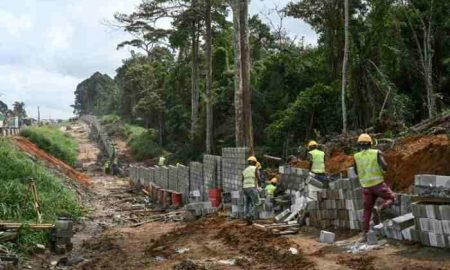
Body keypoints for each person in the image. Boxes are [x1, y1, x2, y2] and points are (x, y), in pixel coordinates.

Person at [353, 133, 396, 241]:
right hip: (378, 184)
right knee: (392, 198)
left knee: (367, 210)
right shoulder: (376, 153)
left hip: (366, 187)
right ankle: (380, 208)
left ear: (359, 145)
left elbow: (356, 172)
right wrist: (384, 171)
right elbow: (385, 166)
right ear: (370, 144)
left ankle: (365, 235)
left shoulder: (356, 156)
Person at [242, 156, 261, 224]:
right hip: (251, 187)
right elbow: (258, 178)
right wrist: (260, 186)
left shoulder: (244, 170)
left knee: (247, 203)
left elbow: (242, 180)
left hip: (245, 188)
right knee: (257, 203)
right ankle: (249, 215)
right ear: (254, 162)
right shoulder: (255, 168)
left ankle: (246, 216)